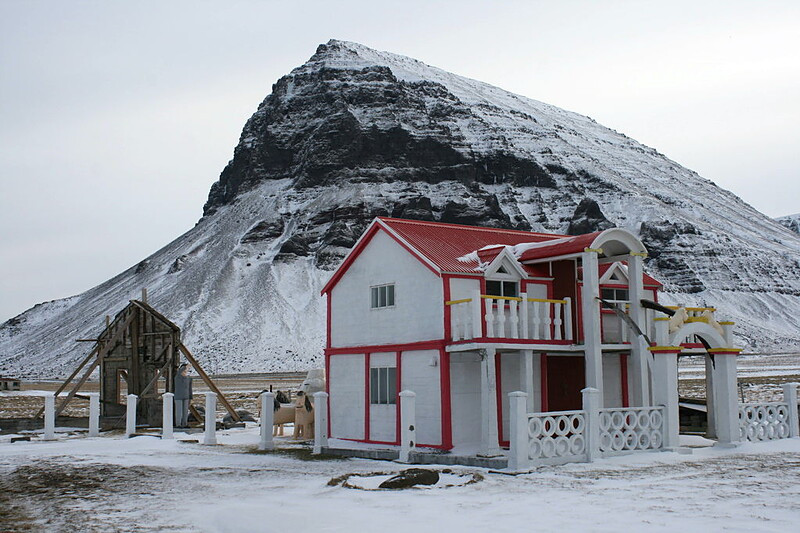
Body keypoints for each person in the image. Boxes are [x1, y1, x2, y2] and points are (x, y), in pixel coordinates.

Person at [174, 363, 192, 428]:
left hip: (186, 396)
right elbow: (179, 372)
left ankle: (184, 424)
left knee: (185, 412)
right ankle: (178, 424)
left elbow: (190, 389)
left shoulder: (189, 378)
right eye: (184, 370)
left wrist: (190, 398)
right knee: (179, 412)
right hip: (178, 396)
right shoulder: (178, 377)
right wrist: (186, 366)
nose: (185, 371)